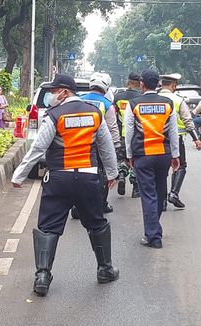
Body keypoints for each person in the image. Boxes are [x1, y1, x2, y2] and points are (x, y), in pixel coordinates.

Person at [11, 73, 119, 297]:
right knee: (96, 223)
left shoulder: (54, 114)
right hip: (89, 178)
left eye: (53, 91)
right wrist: (112, 173)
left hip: (59, 178)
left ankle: (42, 276)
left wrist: (19, 175)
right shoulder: (94, 113)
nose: (51, 95)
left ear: (65, 92)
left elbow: (38, 148)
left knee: (48, 226)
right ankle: (105, 269)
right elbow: (106, 146)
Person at [125, 69, 180, 249]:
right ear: (157, 84)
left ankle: (153, 236)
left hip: (143, 155)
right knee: (160, 191)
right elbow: (173, 132)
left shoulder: (134, 104)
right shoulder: (167, 103)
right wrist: (175, 155)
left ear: (142, 84)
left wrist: (129, 155)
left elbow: (129, 132)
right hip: (163, 155)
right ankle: (154, 228)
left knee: (148, 195)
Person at [158, 74, 201, 209]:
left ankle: (162, 201)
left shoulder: (155, 98)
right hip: (176, 139)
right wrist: (196, 139)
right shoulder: (178, 100)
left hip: (157, 139)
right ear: (173, 86)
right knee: (180, 166)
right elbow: (188, 121)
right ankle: (174, 194)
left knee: (161, 170)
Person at [80, 72, 121, 213]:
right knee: (103, 174)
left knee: (79, 173)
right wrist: (116, 146)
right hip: (100, 146)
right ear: (106, 88)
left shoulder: (79, 100)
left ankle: (77, 205)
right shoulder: (107, 105)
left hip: (80, 143)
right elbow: (112, 128)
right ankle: (102, 204)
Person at [113, 72, 142, 198]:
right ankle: (136, 189)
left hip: (122, 134)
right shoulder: (141, 98)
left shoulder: (118, 98)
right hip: (138, 135)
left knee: (122, 158)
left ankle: (121, 176)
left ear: (128, 82)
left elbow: (114, 117)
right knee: (137, 160)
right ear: (140, 84)